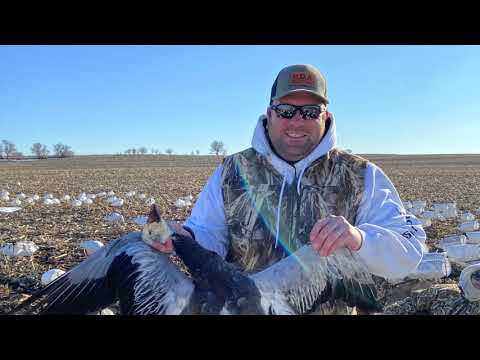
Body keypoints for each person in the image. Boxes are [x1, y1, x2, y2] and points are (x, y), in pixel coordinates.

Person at [163, 64, 427, 314]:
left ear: (326, 116)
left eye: (310, 112)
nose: (297, 122)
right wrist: (186, 238)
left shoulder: (361, 174)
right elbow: (209, 232)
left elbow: (409, 251)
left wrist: (359, 238)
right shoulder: (232, 171)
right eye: (286, 110)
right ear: (270, 113)